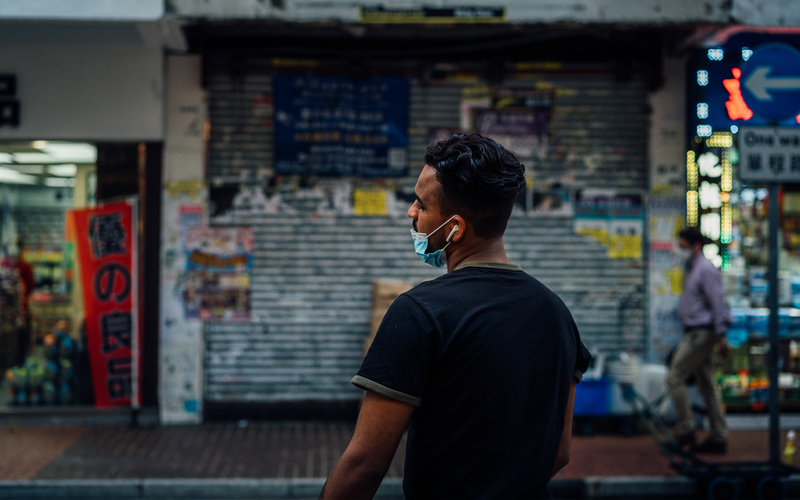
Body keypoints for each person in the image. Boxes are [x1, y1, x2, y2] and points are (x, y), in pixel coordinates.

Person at [320, 133, 591, 500]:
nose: (410, 213)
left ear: (455, 229)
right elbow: (559, 453)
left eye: (421, 204)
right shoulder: (557, 314)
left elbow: (365, 464)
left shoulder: (420, 313)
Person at [669, 227, 729, 454]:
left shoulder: (705, 269)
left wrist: (722, 335)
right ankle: (718, 437)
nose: (680, 250)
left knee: (674, 377)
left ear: (696, 246)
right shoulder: (693, 267)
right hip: (696, 331)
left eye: (683, 246)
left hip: (701, 333)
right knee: (707, 385)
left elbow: (718, 303)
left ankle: (686, 430)